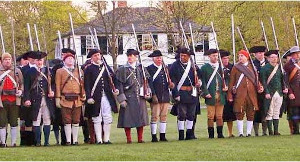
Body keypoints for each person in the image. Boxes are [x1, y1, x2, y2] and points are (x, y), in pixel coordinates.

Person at [115, 49, 151, 143]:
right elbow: (119, 85)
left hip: (140, 96)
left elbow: (146, 82)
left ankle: (140, 139)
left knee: (141, 119)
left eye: (132, 55)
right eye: (128, 55)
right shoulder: (122, 69)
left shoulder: (141, 68)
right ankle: (129, 139)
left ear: (136, 57)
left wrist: (147, 92)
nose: (130, 57)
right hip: (128, 97)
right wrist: (122, 99)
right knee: (127, 120)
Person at [84, 49, 118, 144]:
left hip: (106, 96)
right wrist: (88, 97)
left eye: (98, 55)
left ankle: (106, 139)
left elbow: (113, 78)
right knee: (96, 117)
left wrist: (115, 89)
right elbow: (86, 85)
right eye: (95, 55)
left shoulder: (106, 67)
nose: (97, 57)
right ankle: (99, 139)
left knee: (107, 117)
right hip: (95, 97)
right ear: (92, 58)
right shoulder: (89, 69)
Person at [228, 50, 263, 137]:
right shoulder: (236, 67)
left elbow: (256, 79)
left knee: (251, 113)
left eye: (242, 56)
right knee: (239, 112)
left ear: (247, 57)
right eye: (239, 56)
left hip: (251, 93)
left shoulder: (252, 67)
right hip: (240, 94)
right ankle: (240, 132)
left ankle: (248, 132)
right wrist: (230, 94)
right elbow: (231, 82)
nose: (240, 57)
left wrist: (260, 86)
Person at [23, 51, 55, 146]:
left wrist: (52, 91)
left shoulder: (48, 70)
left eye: (41, 60)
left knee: (47, 119)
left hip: (47, 99)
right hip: (35, 99)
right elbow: (27, 87)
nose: (39, 62)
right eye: (37, 60)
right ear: (34, 61)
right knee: (36, 120)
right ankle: (37, 141)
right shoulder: (30, 72)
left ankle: (46, 142)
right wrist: (27, 99)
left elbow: (53, 84)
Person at [169, 47, 201, 140]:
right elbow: (173, 81)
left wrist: (199, 82)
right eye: (181, 55)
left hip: (192, 92)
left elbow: (199, 77)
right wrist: (175, 94)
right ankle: (181, 135)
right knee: (182, 115)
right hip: (181, 92)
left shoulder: (193, 66)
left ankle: (189, 134)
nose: (182, 57)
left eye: (184, 56)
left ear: (188, 56)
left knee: (191, 115)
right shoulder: (175, 66)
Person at [55, 50, 85, 145]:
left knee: (76, 120)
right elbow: (57, 85)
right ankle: (68, 140)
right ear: (64, 61)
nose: (71, 60)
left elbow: (82, 84)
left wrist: (83, 94)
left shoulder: (79, 71)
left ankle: (75, 140)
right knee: (67, 120)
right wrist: (58, 98)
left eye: (72, 58)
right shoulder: (60, 71)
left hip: (77, 99)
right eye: (68, 58)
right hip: (65, 99)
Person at [147, 50, 174, 142]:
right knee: (155, 116)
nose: (159, 59)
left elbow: (168, 81)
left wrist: (171, 85)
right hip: (156, 96)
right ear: (153, 59)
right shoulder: (149, 69)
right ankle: (154, 136)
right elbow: (150, 83)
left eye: (160, 57)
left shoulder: (165, 68)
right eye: (157, 58)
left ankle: (162, 135)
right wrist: (153, 95)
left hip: (165, 95)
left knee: (164, 116)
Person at [260, 50, 288, 135]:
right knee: (270, 112)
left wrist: (285, 88)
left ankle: (276, 131)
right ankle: (270, 131)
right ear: (268, 59)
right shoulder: (264, 68)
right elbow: (263, 81)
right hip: (270, 92)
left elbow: (282, 80)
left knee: (276, 112)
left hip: (279, 92)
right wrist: (267, 92)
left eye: (276, 57)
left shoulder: (280, 67)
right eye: (272, 57)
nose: (274, 59)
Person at [201, 49, 227, 138]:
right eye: (213, 56)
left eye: (216, 56)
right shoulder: (204, 68)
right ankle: (211, 135)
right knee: (211, 116)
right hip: (210, 94)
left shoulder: (221, 67)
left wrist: (225, 86)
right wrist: (206, 92)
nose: (215, 57)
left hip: (220, 94)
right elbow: (203, 82)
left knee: (219, 116)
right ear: (209, 56)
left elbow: (226, 79)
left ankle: (220, 134)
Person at [51, 48, 74, 145]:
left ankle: (72, 139)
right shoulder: (57, 68)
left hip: (74, 97)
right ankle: (63, 140)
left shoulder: (75, 68)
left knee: (73, 120)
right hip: (62, 96)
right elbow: (55, 83)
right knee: (62, 119)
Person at [0, 53, 23, 147]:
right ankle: (3, 142)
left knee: (14, 122)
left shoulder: (17, 71)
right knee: (2, 122)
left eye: (9, 59)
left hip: (14, 99)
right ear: (2, 61)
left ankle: (13, 142)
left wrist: (20, 91)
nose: (7, 61)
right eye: (5, 59)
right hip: (2, 99)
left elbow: (21, 84)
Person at [249, 46, 268, 136]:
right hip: (255, 91)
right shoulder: (251, 64)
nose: (260, 55)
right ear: (255, 54)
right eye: (258, 53)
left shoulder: (268, 63)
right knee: (256, 111)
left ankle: (265, 131)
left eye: (262, 53)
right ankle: (256, 132)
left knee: (265, 111)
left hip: (267, 91)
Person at [283, 46, 300, 134]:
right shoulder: (287, 66)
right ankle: (296, 130)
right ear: (292, 55)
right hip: (294, 91)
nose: (298, 55)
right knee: (295, 112)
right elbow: (285, 81)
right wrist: (289, 92)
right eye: (296, 54)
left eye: (298, 53)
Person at [220, 49, 236, 137]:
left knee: (230, 115)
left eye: (227, 58)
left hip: (230, 94)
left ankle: (230, 133)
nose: (226, 60)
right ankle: (220, 133)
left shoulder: (232, 67)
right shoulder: (218, 68)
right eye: (224, 58)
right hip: (221, 94)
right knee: (220, 115)